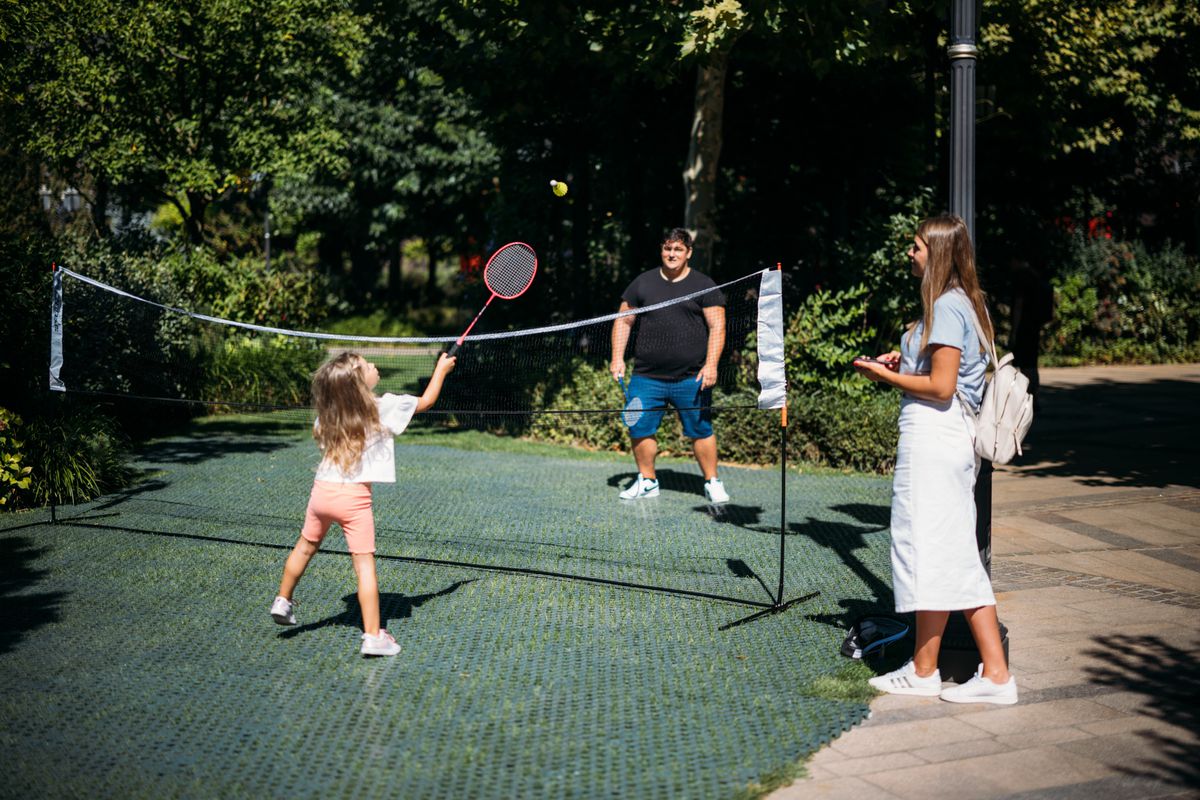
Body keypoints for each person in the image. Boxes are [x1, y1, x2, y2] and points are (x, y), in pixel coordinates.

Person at [853, 214, 1017, 704]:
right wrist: (904, 360)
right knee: (934, 552)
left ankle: (997, 676)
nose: (910, 252)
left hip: (935, 438)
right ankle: (924, 670)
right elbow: (945, 370)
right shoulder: (961, 302)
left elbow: (942, 387)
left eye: (917, 246)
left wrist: (884, 376)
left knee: (949, 554)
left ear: (939, 253)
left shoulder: (946, 305)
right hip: (942, 439)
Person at [269, 350, 456, 657]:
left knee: (304, 547)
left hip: (322, 492)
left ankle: (282, 600)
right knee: (364, 565)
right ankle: (373, 636)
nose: (373, 365)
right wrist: (441, 370)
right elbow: (426, 401)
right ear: (359, 383)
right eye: (366, 365)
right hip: (354, 500)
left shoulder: (328, 415)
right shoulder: (383, 407)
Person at [610, 228, 728, 503]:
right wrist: (617, 358)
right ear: (661, 250)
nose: (672, 254)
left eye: (678, 249)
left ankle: (712, 481)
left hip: (692, 377)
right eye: (667, 248)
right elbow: (623, 321)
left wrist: (711, 365)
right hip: (646, 377)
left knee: (701, 430)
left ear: (688, 253)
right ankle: (647, 481)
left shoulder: (704, 284)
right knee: (639, 427)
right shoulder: (642, 283)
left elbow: (718, 327)